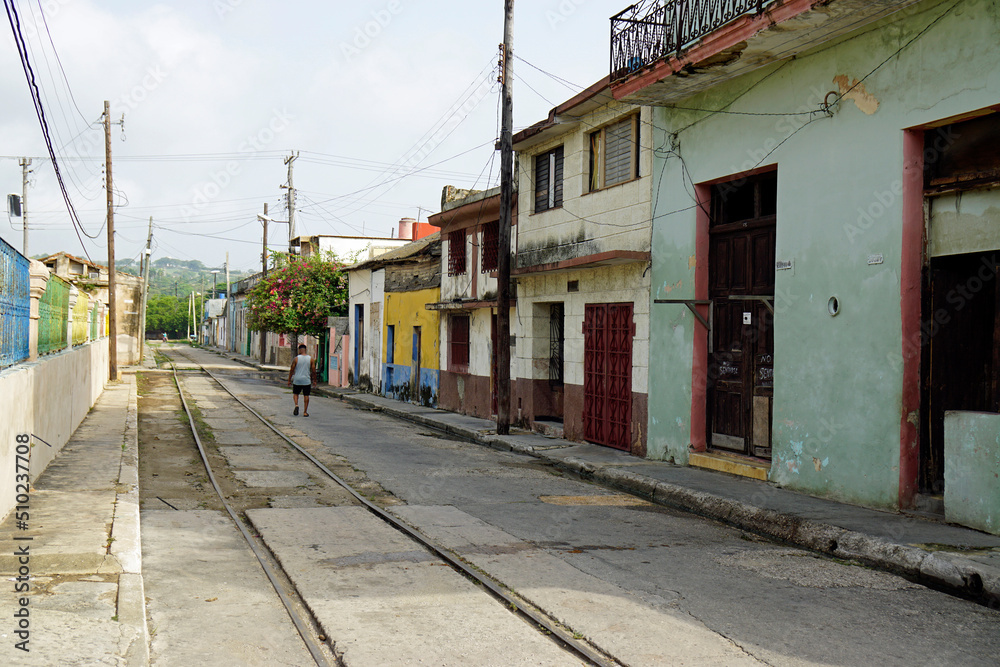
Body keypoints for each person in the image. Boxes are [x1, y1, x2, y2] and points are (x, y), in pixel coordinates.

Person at [287, 343, 317, 417]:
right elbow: (313, 371)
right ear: (305, 350)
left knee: (296, 394)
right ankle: (305, 412)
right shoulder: (311, 359)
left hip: (297, 379)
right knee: (306, 395)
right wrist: (314, 381)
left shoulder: (296, 359)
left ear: (299, 350)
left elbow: (292, 370)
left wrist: (289, 380)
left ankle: (296, 405)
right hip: (306, 380)